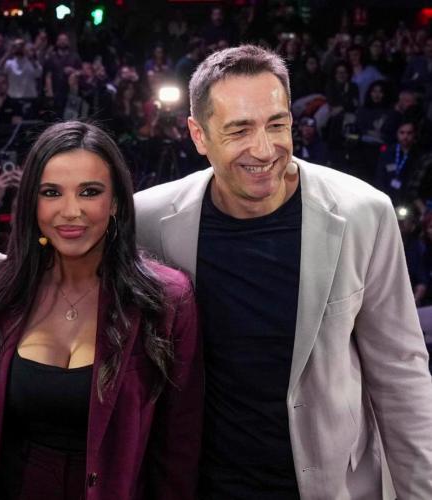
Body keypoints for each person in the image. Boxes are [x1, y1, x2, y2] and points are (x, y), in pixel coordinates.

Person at [134, 44, 432, 499]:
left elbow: (400, 372)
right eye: (239, 129)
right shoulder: (149, 219)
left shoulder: (363, 213)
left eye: (277, 124)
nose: (264, 148)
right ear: (198, 134)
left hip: (335, 488)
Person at [0, 121, 202, 500]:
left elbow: (179, 447)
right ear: (32, 203)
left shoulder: (167, 299)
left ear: (116, 202)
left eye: (89, 192)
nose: (70, 211)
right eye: (51, 193)